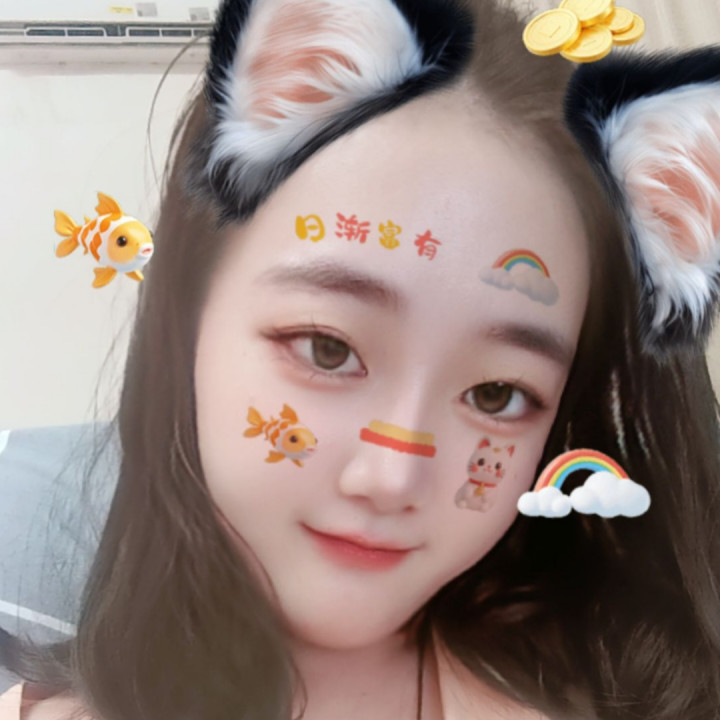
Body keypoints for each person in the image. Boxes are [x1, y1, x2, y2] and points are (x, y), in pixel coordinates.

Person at [2, 0, 720, 718]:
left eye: (498, 394)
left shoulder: (622, 684)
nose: (392, 478)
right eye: (328, 348)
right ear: (187, 320)